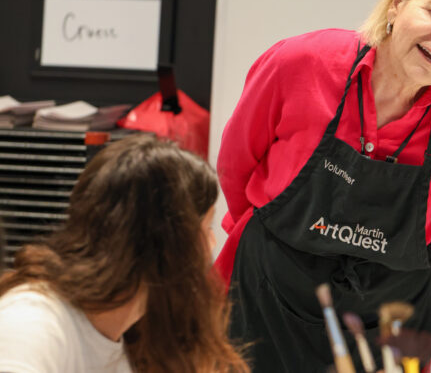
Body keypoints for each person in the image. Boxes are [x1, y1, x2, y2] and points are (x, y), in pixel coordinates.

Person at [215, 0, 431, 372]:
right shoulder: (302, 63)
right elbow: (236, 163)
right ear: (398, 3)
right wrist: (274, 250)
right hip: (265, 304)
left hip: (384, 329)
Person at [0, 134, 249, 373]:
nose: (212, 244)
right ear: (166, 243)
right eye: (206, 229)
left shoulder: (139, 333)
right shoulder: (33, 321)